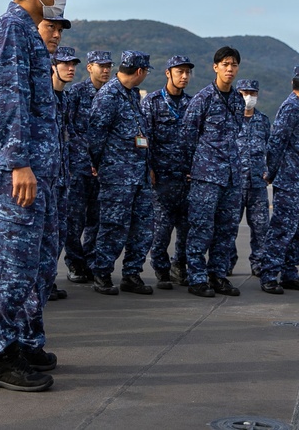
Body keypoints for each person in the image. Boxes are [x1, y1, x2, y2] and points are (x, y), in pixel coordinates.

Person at [0, 0, 80, 392]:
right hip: (17, 172)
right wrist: (18, 162)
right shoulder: (11, 31)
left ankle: (18, 343)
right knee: (10, 266)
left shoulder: (27, 34)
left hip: (37, 171)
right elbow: (3, 101)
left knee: (32, 265)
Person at [89, 51, 156, 295]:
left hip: (138, 175)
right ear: (139, 71)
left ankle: (132, 274)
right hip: (117, 176)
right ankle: (102, 272)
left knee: (143, 226)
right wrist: (100, 164)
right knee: (113, 225)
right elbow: (96, 136)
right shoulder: (109, 95)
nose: (146, 74)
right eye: (146, 70)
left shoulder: (131, 95)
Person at [180, 47, 245, 298]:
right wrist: (193, 168)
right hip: (206, 176)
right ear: (215, 67)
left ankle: (218, 275)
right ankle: (197, 277)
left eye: (234, 65)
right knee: (201, 227)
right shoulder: (203, 98)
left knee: (227, 229)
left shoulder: (238, 100)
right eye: (225, 64)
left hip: (231, 176)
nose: (230, 69)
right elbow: (187, 136)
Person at [259, 67, 299, 295]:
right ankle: (268, 275)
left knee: (297, 231)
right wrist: (271, 173)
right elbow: (276, 143)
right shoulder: (291, 108)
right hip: (288, 181)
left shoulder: (296, 108)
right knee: (281, 230)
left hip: (297, 181)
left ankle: (289, 274)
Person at [141, 55, 194, 289]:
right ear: (168, 73)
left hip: (186, 177)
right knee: (161, 228)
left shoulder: (193, 103)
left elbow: (197, 139)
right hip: (161, 177)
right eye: (179, 72)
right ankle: (161, 269)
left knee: (185, 228)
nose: (184, 76)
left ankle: (178, 266)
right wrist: (149, 167)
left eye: (187, 72)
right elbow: (144, 138)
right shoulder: (152, 102)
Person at [63, 50, 113, 283]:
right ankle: (75, 262)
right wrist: (85, 159)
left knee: (97, 217)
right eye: (100, 66)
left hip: (103, 167)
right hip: (79, 166)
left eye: (108, 66)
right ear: (89, 68)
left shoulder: (113, 94)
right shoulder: (76, 93)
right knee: (74, 218)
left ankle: (91, 259)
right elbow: (68, 130)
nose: (105, 70)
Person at [45, 41, 78, 302]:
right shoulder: (41, 96)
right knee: (42, 233)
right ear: (52, 67)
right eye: (65, 63)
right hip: (44, 178)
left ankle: (47, 281)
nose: (70, 68)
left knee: (58, 233)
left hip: (63, 176)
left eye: (73, 64)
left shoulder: (65, 99)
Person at [232, 78, 271, 278]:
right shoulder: (230, 118)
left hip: (257, 184)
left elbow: (271, 149)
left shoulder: (263, 121)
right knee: (229, 227)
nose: (249, 97)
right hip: (234, 185)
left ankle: (259, 263)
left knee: (261, 228)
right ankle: (226, 263)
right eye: (244, 93)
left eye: (253, 93)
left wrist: (269, 172)